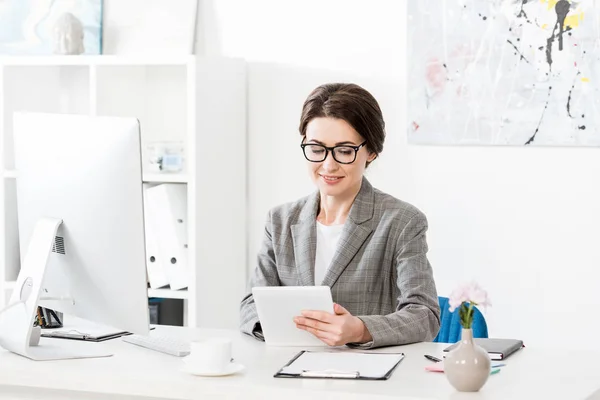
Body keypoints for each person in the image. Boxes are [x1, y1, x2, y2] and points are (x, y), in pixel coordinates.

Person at [240, 83, 440, 349]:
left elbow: (425, 314)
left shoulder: (402, 222)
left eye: (345, 151)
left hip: (367, 379)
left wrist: (361, 329)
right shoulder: (280, 221)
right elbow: (251, 304)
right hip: (288, 374)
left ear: (371, 151)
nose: (328, 165)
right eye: (316, 148)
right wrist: (274, 327)